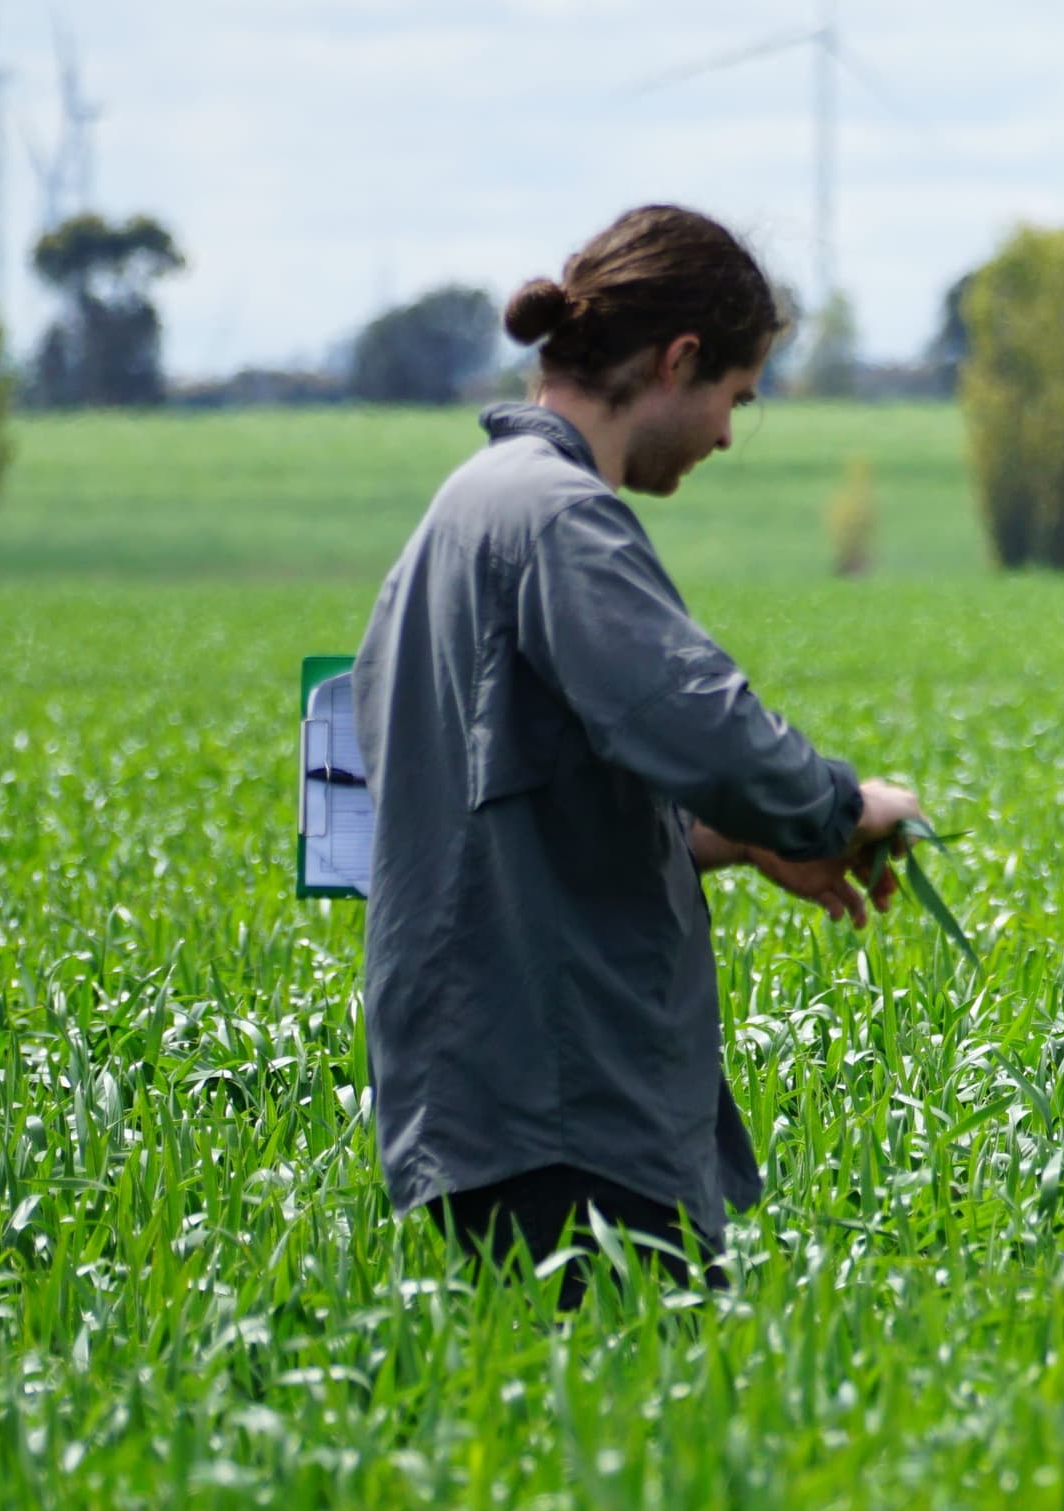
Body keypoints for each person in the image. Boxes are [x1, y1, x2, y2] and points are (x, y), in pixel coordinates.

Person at [353, 205, 929, 1300]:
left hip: (483, 1102)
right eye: (735, 398)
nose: (724, 436)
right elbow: (698, 721)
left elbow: (535, 795)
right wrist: (836, 806)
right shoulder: (561, 519)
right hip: (570, 1109)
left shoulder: (464, 513)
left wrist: (746, 845)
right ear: (678, 361)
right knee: (634, 1437)